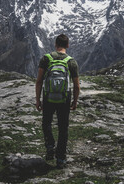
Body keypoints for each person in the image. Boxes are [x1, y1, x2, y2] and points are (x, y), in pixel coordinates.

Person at [36, 34, 80, 168]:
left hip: (48, 97)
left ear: (55, 44)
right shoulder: (71, 61)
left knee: (46, 123)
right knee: (63, 128)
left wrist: (38, 100)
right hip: (64, 98)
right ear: (67, 45)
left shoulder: (46, 58)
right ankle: (60, 159)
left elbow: (39, 81)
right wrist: (75, 101)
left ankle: (50, 147)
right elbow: (77, 85)